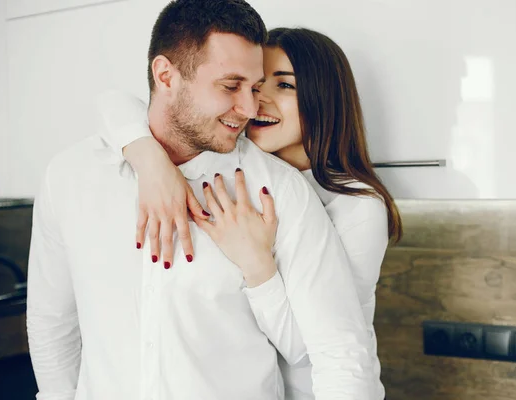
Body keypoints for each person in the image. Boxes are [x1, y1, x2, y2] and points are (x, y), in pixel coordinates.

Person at [26, 1, 373, 399]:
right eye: (230, 86)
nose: (249, 108)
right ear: (166, 75)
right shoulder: (71, 176)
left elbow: (340, 354)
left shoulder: (279, 190)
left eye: (254, 87)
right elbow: (52, 324)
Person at [98, 27, 402, 399]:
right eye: (255, 86)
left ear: (324, 98)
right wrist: (148, 158)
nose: (256, 103)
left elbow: (310, 349)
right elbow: (115, 103)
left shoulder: (356, 206)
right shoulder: (240, 171)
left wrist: (256, 265)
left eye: (284, 85)